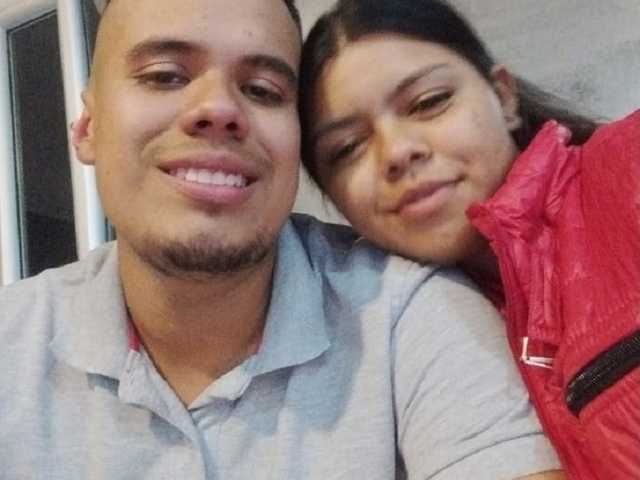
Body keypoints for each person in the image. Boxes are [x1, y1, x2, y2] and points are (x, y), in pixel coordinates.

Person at [0, 0, 563, 478]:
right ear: (88, 127)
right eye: (166, 75)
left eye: (263, 90)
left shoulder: (407, 311)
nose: (219, 109)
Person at [298, 0, 640, 479]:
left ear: (504, 96)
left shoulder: (629, 167)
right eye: (347, 148)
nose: (397, 152)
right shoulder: (403, 351)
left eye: (428, 102)